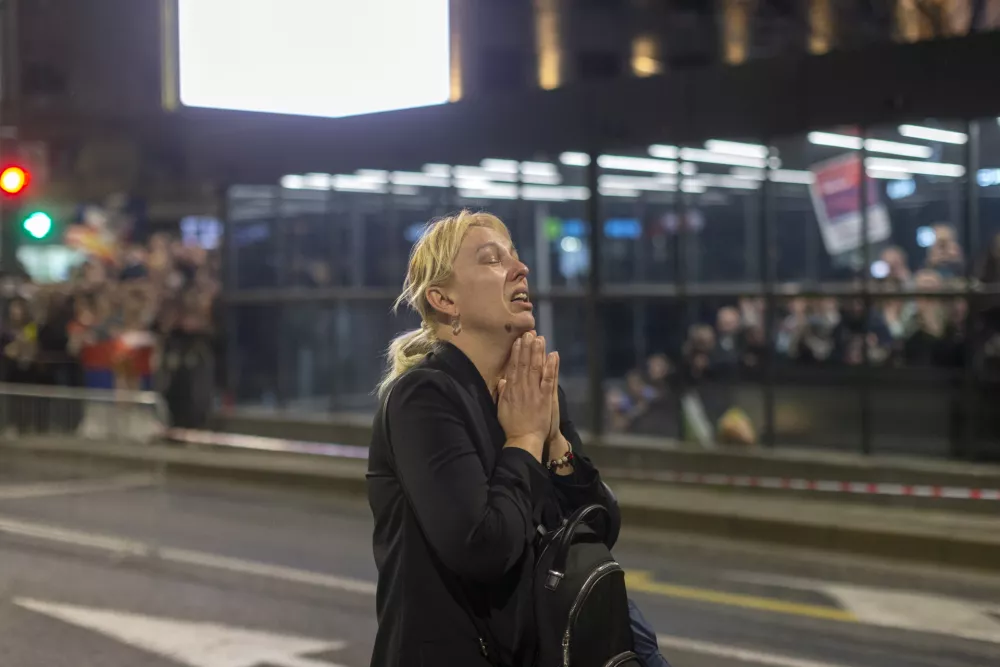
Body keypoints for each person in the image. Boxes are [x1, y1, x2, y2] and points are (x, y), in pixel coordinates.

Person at [367, 210, 622, 667]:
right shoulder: (424, 396)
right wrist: (525, 437)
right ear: (444, 299)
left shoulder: (530, 387)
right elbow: (482, 547)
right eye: (491, 260)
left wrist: (557, 440)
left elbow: (600, 527)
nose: (520, 269)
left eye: (516, 258)